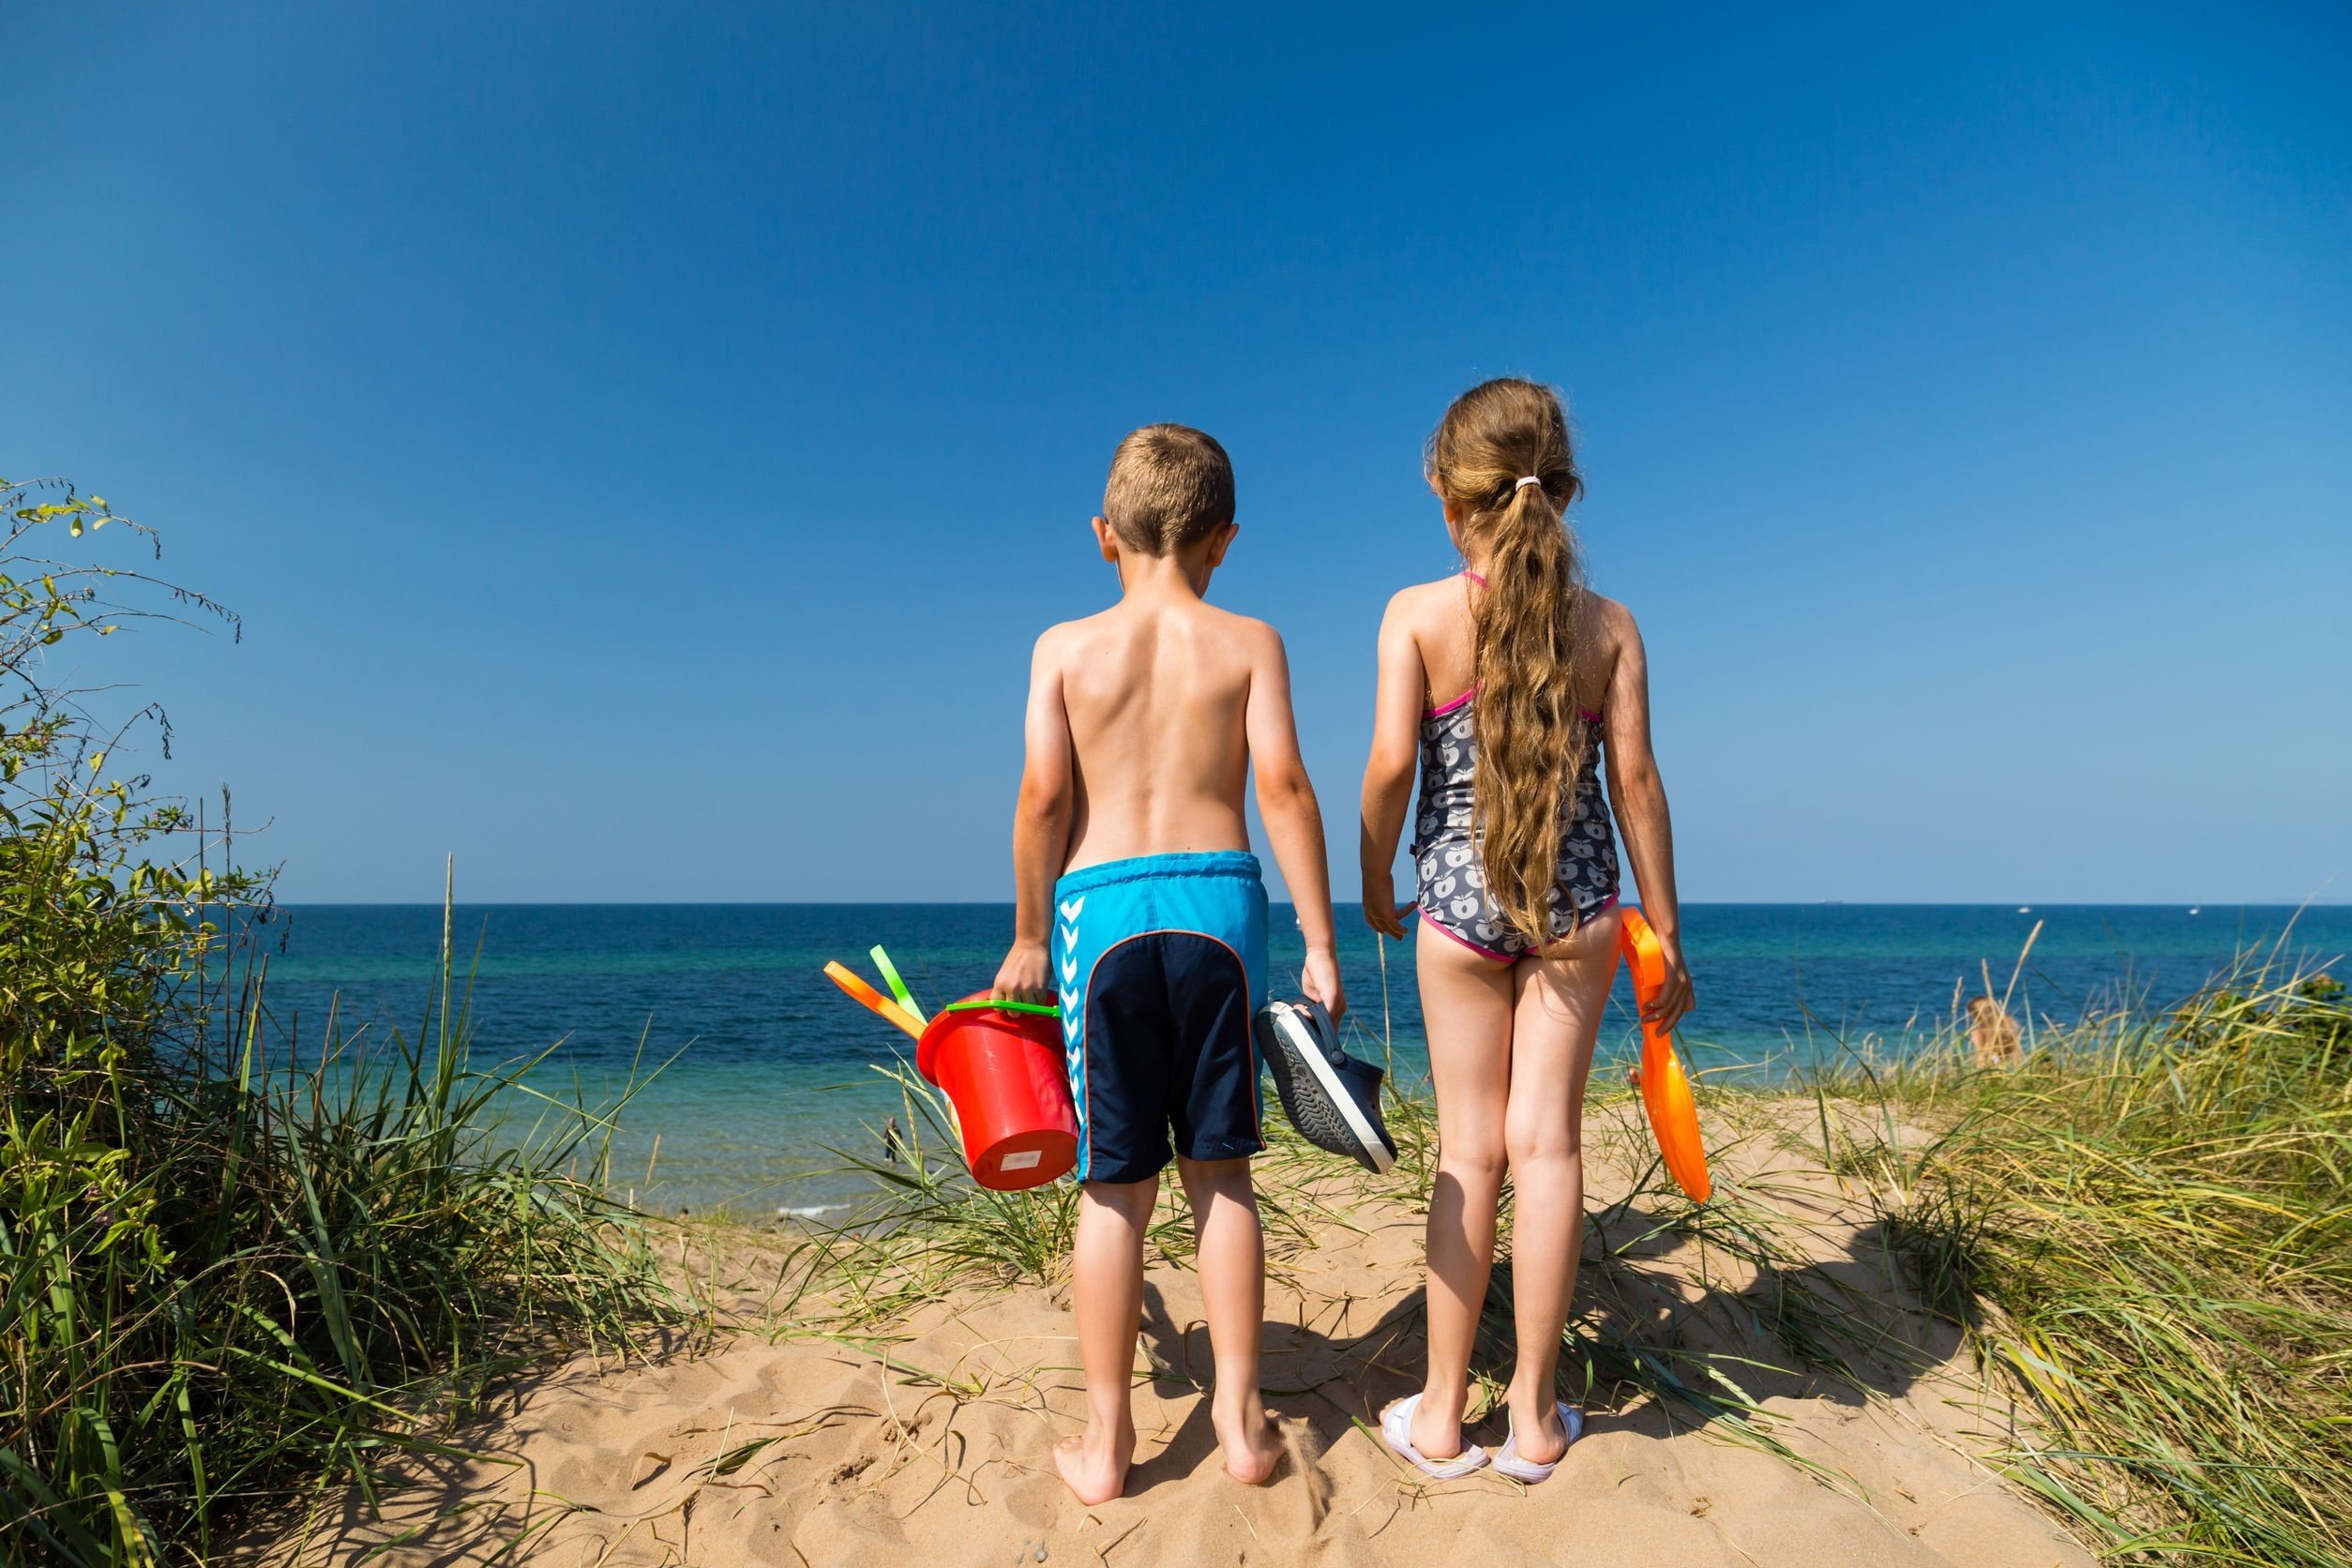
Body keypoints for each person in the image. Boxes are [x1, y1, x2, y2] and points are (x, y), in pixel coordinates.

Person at [990, 423, 1347, 1504]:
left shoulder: (1061, 648)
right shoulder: (1250, 641)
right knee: (1223, 1173)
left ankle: (1107, 1443)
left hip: (1099, 912)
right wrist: (1322, 940)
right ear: (1225, 539)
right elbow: (1283, 787)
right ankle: (1240, 1423)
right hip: (1221, 911)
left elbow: (1044, 798)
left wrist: (1022, 932)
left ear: (1105, 535)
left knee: (1113, 1192)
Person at [1357, 378, 1693, 1483]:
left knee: (1469, 1150)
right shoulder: (1610, 626)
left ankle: (1444, 1414)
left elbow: (1393, 773)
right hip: (1581, 904)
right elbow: (1635, 781)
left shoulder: (1416, 614)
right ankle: (1536, 1420)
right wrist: (1670, 931)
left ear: (1452, 501)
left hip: (1453, 905)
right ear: (1565, 491)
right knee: (1545, 1145)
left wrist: (1373, 881)